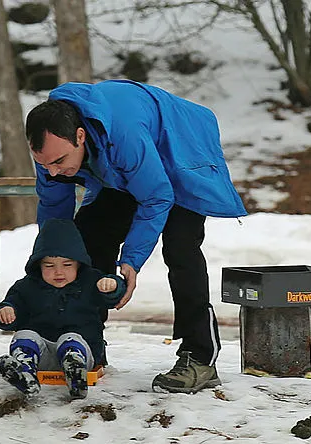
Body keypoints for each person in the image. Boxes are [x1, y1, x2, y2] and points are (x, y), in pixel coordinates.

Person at [24, 80, 247, 395]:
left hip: (180, 149)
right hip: (126, 164)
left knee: (180, 247)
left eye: (60, 162)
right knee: (86, 237)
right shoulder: (50, 147)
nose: (55, 171)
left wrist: (131, 261)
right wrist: (51, 256)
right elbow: (54, 210)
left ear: (80, 136)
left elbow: (157, 197)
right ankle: (85, 345)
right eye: (45, 164)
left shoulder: (124, 136)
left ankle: (200, 357)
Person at [0, 218, 125, 400]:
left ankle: (75, 372)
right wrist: (6, 312)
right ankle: (24, 370)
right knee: (24, 335)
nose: (59, 272)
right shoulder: (27, 287)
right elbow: (13, 305)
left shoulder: (90, 281)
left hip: (82, 351)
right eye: (49, 266)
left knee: (70, 339)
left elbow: (113, 297)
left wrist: (112, 286)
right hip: (42, 354)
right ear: (38, 265)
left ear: (79, 263)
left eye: (67, 265)